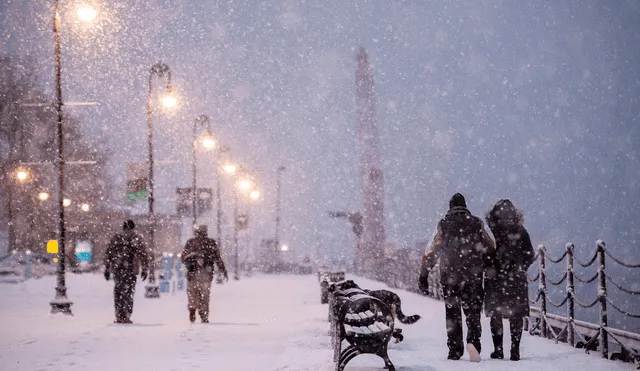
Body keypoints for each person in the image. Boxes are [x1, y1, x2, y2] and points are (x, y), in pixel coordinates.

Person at [423, 193, 494, 361]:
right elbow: (491, 245)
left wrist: (423, 275)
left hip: (450, 277)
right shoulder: (477, 223)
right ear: (465, 206)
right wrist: (485, 262)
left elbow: (432, 251)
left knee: (452, 314)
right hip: (473, 276)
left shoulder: (443, 225)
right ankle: (473, 343)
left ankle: (454, 349)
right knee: (473, 312)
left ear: (450, 207)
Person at [484, 199, 536, 361]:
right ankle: (515, 350)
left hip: (495, 278)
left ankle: (498, 349)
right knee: (516, 315)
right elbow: (530, 254)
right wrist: (521, 268)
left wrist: (489, 267)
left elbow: (484, 252)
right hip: (516, 279)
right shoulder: (521, 231)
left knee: (496, 314)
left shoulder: (491, 231)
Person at [104, 219, 149, 324]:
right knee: (128, 292)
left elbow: (108, 253)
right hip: (131, 269)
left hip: (118, 268)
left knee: (118, 291)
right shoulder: (136, 238)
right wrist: (144, 269)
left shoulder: (117, 237)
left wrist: (107, 268)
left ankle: (119, 315)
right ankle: (126, 315)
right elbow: (143, 255)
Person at [182, 225, 228, 323]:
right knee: (205, 295)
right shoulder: (211, 243)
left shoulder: (191, 242)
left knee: (192, 293)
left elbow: (183, 258)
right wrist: (223, 270)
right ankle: (203, 314)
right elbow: (218, 259)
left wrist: (192, 258)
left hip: (192, 274)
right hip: (206, 274)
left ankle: (193, 310)